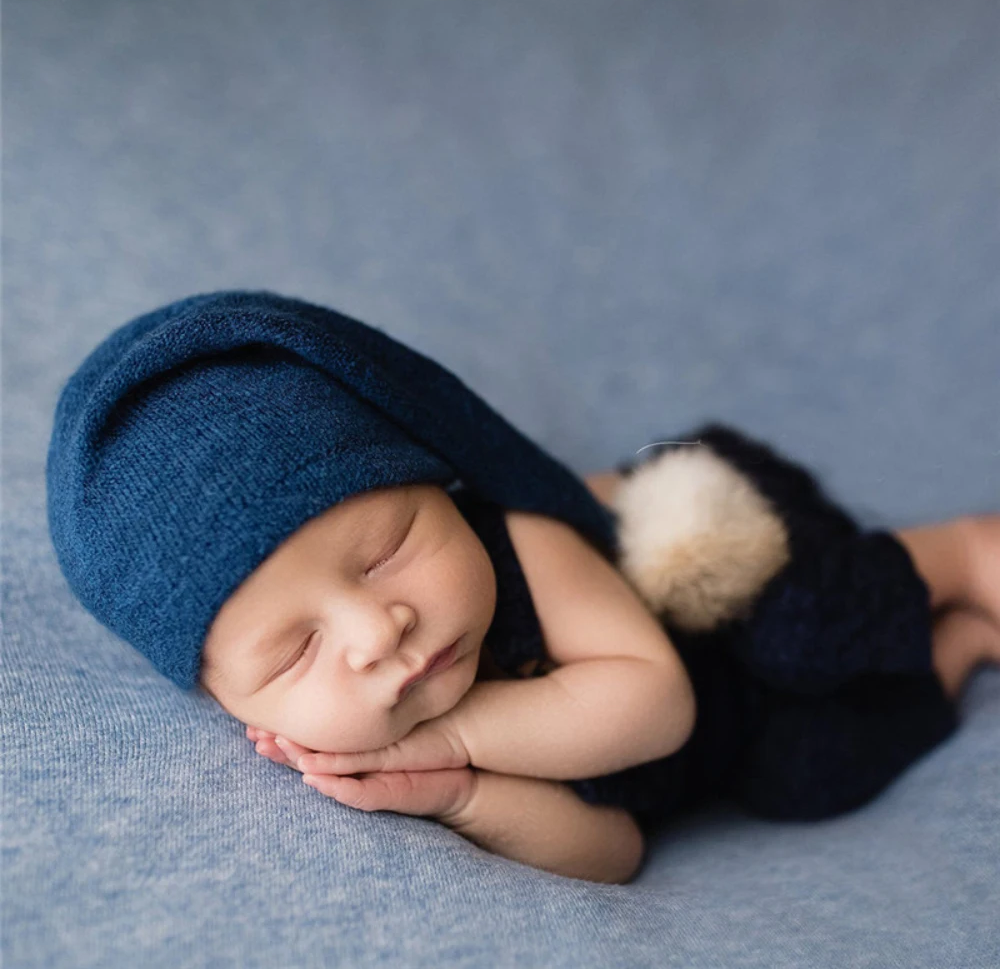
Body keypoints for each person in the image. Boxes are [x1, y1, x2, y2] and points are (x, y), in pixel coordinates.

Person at [46, 289, 1000, 885]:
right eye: (295, 650)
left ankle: (959, 554)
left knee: (805, 628)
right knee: (805, 778)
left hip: (709, 547)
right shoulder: (379, 732)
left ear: (444, 486)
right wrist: (458, 796)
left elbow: (654, 704)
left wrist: (458, 735)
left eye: (387, 547)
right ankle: (958, 643)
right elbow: (617, 852)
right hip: (739, 733)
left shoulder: (523, 542)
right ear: (230, 701)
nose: (381, 626)